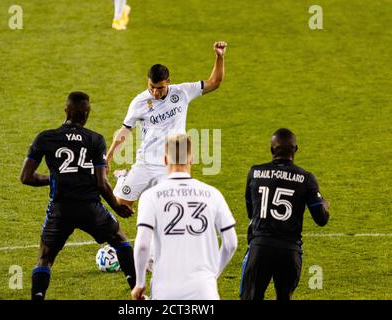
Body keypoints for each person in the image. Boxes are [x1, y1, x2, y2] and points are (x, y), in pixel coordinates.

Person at [20, 91, 135, 300]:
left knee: (45, 258)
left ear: (66, 110)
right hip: (90, 208)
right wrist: (117, 207)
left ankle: (37, 296)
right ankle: (138, 293)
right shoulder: (95, 139)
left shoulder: (45, 138)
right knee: (120, 240)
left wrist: (53, 178)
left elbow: (26, 177)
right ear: (87, 113)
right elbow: (102, 183)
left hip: (60, 209)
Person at [107, 41, 228, 210]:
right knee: (122, 206)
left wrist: (219, 57)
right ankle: (122, 178)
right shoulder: (139, 102)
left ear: (168, 82)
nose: (155, 92)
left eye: (160, 88)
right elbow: (126, 129)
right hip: (146, 162)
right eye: (152, 87)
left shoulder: (183, 91)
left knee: (173, 208)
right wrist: (110, 156)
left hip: (174, 163)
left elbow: (214, 82)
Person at [131, 134, 238, 300]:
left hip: (165, 290)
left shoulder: (150, 196)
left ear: (165, 160)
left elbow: (143, 245)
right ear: (192, 159)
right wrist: (212, 275)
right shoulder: (212, 194)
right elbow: (231, 243)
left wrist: (139, 283)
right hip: (203, 291)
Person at [240, 128, 330, 300]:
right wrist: (324, 205)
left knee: (250, 297)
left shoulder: (255, 173)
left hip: (260, 248)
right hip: (289, 251)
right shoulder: (306, 178)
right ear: (295, 149)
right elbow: (321, 219)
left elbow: (251, 212)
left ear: (272, 150)